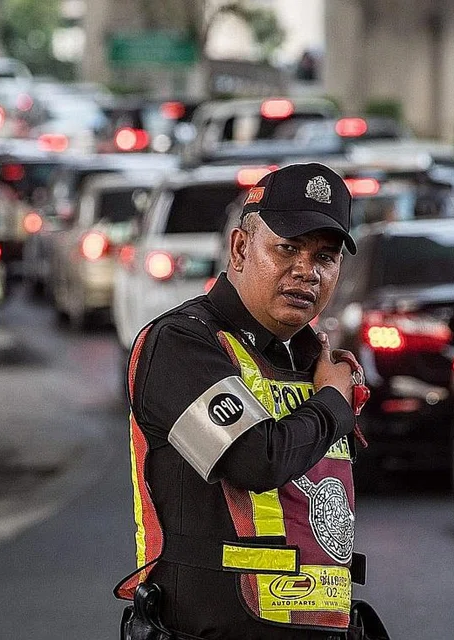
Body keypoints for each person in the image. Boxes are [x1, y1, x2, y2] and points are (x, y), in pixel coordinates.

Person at [115, 163, 387, 640]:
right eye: (287, 248)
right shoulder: (181, 342)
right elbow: (254, 459)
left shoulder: (314, 360)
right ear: (241, 248)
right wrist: (332, 403)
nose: (306, 271)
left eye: (325, 257)